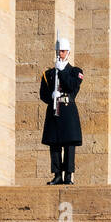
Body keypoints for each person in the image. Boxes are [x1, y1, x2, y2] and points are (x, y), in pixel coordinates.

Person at [40, 37, 83, 185]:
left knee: (69, 145)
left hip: (68, 111)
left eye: (63, 51)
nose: (60, 53)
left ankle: (68, 176)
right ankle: (57, 174)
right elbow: (43, 94)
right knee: (55, 144)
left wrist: (62, 71)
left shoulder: (75, 71)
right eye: (59, 51)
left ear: (68, 52)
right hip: (54, 110)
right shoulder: (49, 74)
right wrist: (51, 96)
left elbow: (72, 87)